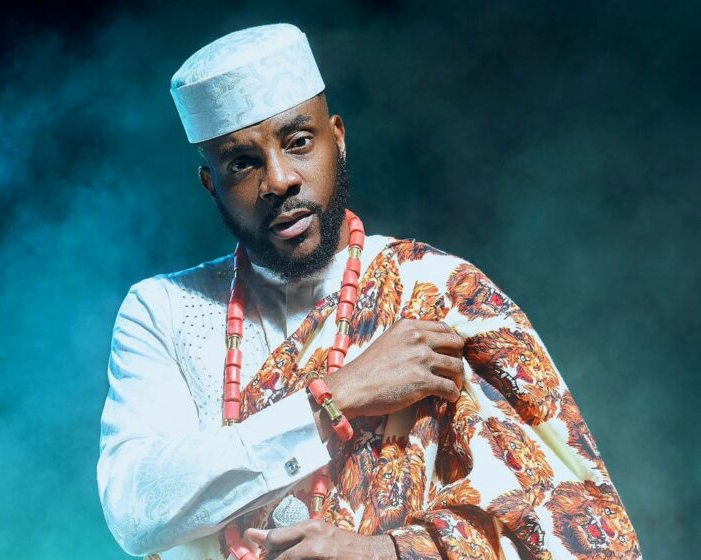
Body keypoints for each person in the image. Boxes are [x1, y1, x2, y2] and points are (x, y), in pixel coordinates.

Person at [97, 23, 641, 560]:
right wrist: (335, 395)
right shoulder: (164, 310)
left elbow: (573, 532)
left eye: (298, 142)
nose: (280, 179)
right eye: (243, 163)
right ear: (211, 185)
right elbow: (135, 512)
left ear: (337, 138)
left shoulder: (440, 290)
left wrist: (383, 552)